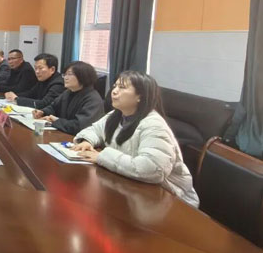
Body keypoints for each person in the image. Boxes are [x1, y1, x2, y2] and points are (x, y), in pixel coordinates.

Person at [72, 71, 199, 208]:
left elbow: (152, 169)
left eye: (122, 87)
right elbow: (95, 130)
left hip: (171, 200)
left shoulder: (154, 125)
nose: (114, 91)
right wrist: (87, 141)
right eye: (115, 86)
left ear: (140, 96)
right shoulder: (116, 115)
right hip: (131, 187)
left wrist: (102, 156)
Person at [33, 61, 104, 135]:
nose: (65, 78)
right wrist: (43, 112)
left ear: (83, 76)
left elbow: (79, 126)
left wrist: (56, 121)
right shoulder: (68, 92)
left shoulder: (93, 100)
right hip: (63, 134)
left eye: (69, 74)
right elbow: (54, 107)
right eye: (65, 75)